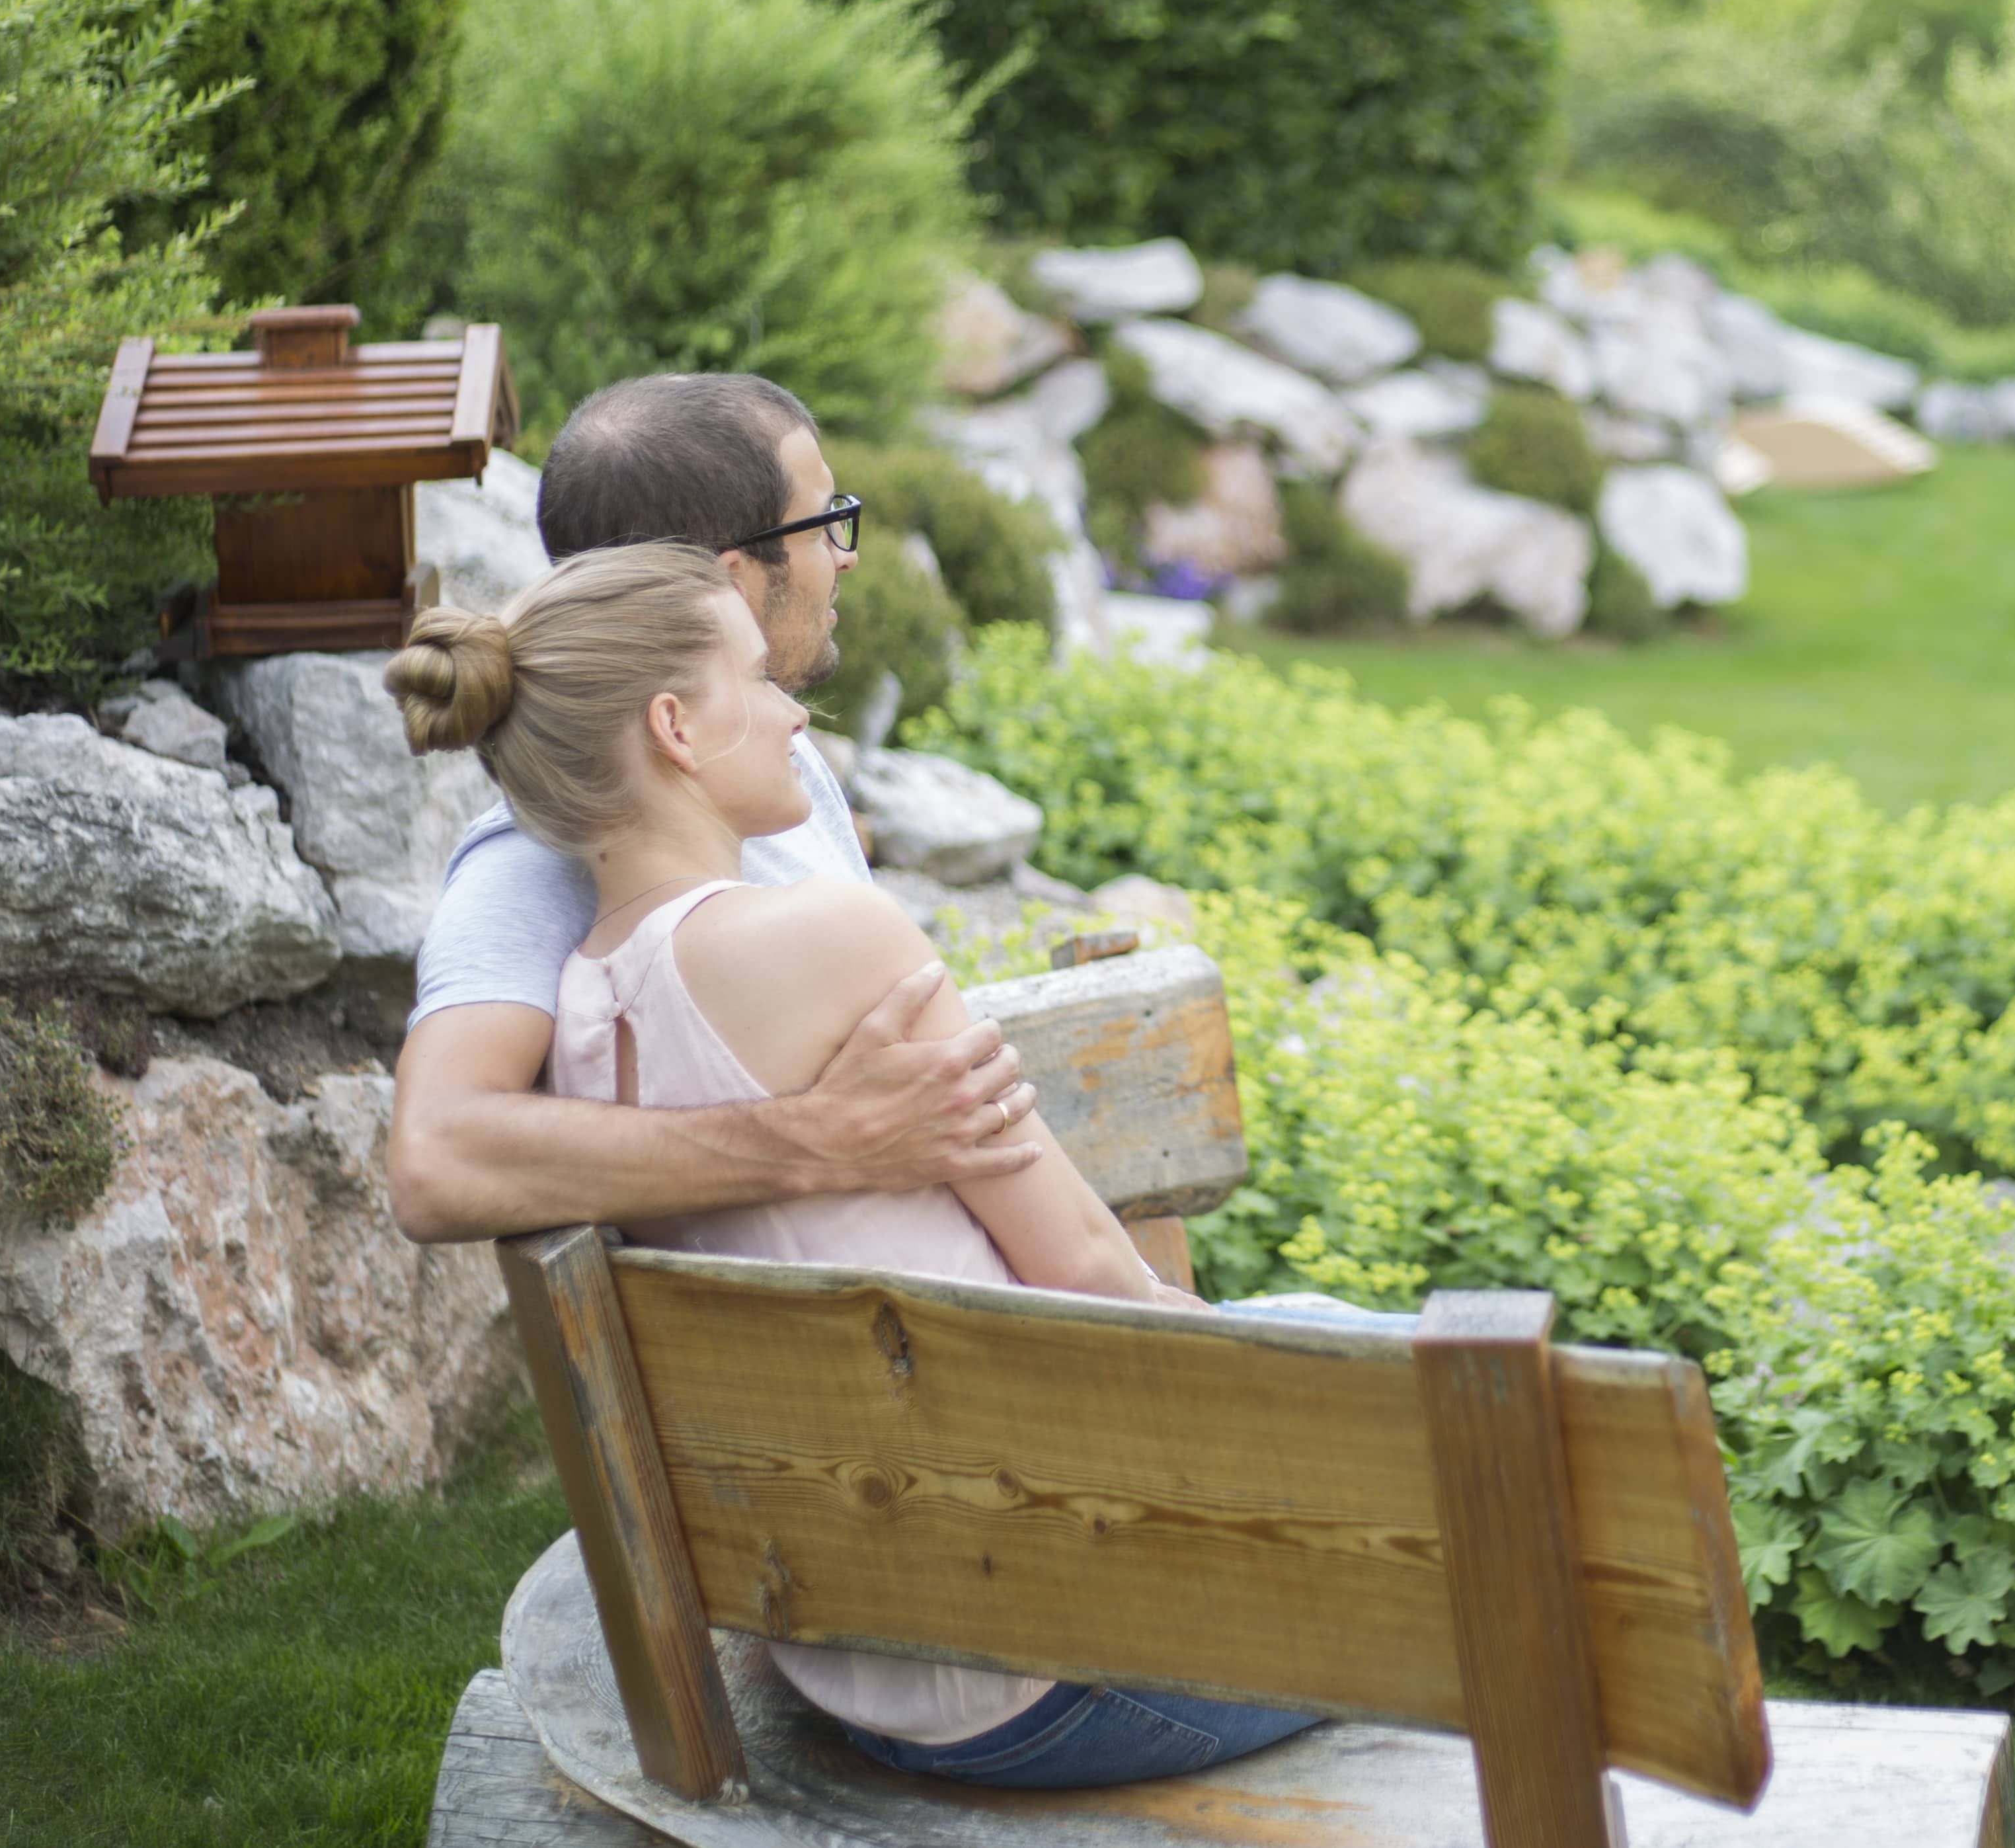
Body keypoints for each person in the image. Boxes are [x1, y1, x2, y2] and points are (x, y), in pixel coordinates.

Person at [385, 540, 1323, 1788]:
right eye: (754, 678)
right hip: (1061, 1656)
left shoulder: (577, 1019)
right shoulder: (830, 938)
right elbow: (1096, 1280)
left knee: (1332, 1339)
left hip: (850, 1655)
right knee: (1494, 1503)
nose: (792, 705)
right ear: (674, 724)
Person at [387, 374, 1048, 1249]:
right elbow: (435, 1162)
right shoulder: (537, 855)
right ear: (731, 581)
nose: (845, 555)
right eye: (824, 524)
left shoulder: (778, 766)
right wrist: (818, 1140)